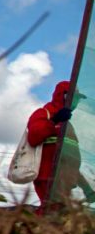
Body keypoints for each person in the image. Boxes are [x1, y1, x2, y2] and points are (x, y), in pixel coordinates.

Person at [26, 80, 83, 214]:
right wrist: (54, 121)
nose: (77, 102)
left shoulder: (68, 124)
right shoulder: (43, 113)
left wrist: (85, 187)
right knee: (51, 214)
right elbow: (34, 137)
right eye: (75, 98)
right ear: (64, 96)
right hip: (49, 179)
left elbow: (71, 160)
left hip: (65, 181)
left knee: (61, 216)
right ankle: (30, 231)